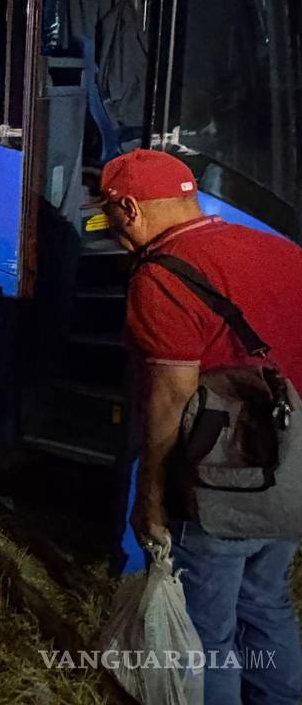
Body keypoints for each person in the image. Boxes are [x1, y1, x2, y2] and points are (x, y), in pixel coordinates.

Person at [100, 149, 302, 704]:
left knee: (207, 632)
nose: (113, 232)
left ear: (130, 208)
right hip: (291, 468)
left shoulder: (160, 278)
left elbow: (171, 397)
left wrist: (151, 495)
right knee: (268, 604)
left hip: (221, 481)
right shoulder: (280, 250)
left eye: (110, 217)